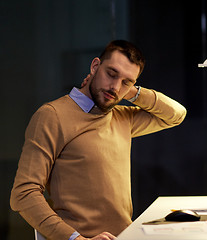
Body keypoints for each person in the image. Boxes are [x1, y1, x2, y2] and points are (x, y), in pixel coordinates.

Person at [10, 40, 187, 240]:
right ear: (95, 67)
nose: (114, 86)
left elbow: (176, 114)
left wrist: (130, 92)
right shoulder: (52, 115)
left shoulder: (122, 117)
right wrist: (76, 239)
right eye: (111, 74)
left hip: (125, 236)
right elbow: (23, 193)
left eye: (126, 81)